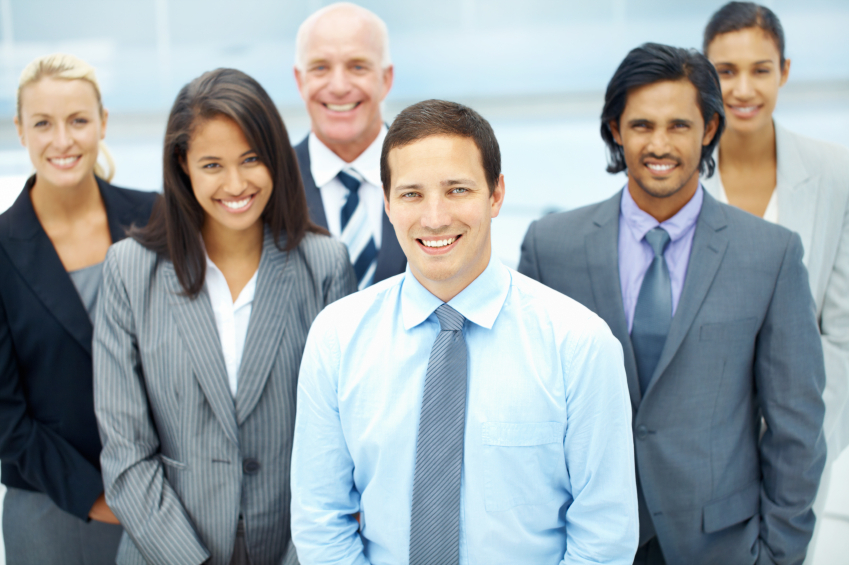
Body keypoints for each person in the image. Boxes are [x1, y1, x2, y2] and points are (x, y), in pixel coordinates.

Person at [291, 99, 639, 565]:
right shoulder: (337, 337)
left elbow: (605, 535)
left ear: (496, 195)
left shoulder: (578, 344)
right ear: (388, 202)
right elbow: (321, 520)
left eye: (457, 190)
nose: (435, 217)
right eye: (412, 194)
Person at [518, 43, 826, 565]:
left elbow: (796, 426)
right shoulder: (552, 247)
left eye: (678, 126)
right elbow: (526, 407)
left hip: (722, 545)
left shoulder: (769, 255)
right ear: (616, 130)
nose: (659, 145)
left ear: (708, 129)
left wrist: (777, 555)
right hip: (582, 540)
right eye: (641, 126)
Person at [93, 68, 356, 565]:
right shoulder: (130, 271)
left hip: (294, 549)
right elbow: (126, 454)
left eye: (251, 159)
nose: (235, 183)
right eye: (212, 164)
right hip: (165, 551)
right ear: (182, 165)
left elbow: (342, 447)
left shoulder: (324, 265)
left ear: (275, 158)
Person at [701, 5, 849, 561]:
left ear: (784, 71)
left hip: (802, 439)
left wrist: (810, 438)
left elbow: (839, 332)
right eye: (725, 70)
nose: (743, 88)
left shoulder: (836, 173)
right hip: (701, 444)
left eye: (760, 69)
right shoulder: (679, 174)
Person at [0, 53, 156, 564]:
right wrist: (101, 499)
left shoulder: (156, 219)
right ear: (20, 130)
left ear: (103, 123)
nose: (62, 141)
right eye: (43, 123)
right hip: (52, 511)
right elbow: (5, 416)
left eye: (79, 121)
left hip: (164, 499)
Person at [293, 2, 406, 289]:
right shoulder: (270, 182)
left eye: (357, 66)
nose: (339, 86)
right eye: (320, 67)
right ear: (299, 80)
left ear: (386, 79)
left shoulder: (430, 171)